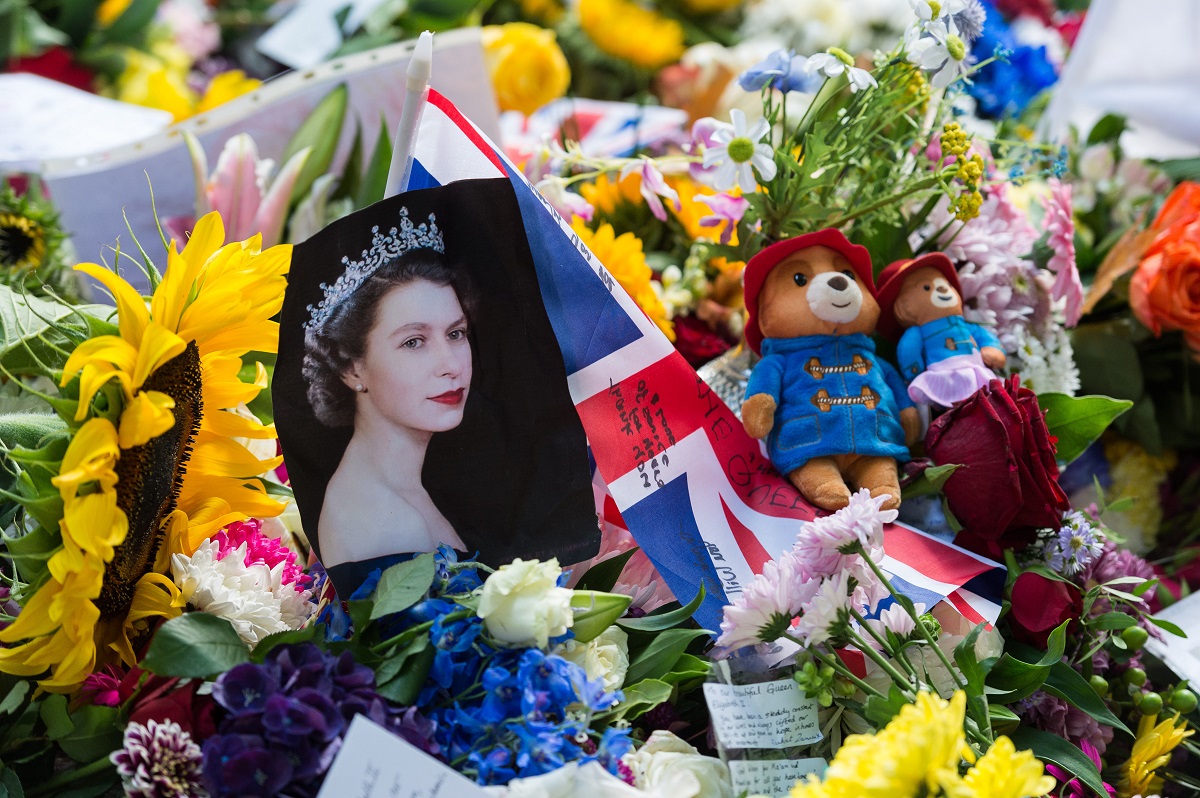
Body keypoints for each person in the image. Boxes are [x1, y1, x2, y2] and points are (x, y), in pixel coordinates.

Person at [301, 210, 476, 590]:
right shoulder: (386, 521)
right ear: (352, 369)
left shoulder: (393, 488)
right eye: (414, 342)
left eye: (456, 333)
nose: (450, 366)